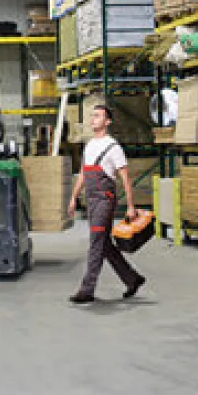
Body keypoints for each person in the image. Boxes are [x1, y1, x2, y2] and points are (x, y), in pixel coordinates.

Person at [68, 104, 146, 304]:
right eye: (92, 116)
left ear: (107, 121)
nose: (93, 119)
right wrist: (73, 197)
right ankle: (132, 278)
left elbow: (125, 178)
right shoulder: (90, 145)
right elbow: (84, 174)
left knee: (95, 242)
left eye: (98, 116)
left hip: (105, 199)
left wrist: (130, 205)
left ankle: (87, 289)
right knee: (104, 243)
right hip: (91, 199)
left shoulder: (114, 147)